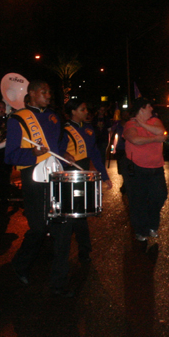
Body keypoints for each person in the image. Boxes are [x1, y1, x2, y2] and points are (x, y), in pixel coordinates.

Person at [5, 80, 73, 297]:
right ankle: (20, 264)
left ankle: (58, 283)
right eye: (43, 91)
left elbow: (59, 143)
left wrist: (66, 154)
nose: (48, 94)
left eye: (49, 91)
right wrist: (31, 154)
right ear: (32, 94)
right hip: (33, 176)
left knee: (63, 227)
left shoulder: (54, 116)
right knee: (39, 228)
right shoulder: (18, 119)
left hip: (56, 174)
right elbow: (10, 155)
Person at [61, 99, 112, 264]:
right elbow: (57, 152)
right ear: (73, 112)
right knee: (71, 214)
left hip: (82, 171)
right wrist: (64, 157)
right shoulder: (64, 130)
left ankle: (84, 249)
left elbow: (95, 154)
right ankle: (64, 250)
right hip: (68, 173)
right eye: (82, 109)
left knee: (81, 213)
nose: (86, 112)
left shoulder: (89, 128)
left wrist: (105, 176)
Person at [123, 98, 168, 251]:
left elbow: (161, 130)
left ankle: (152, 225)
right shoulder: (129, 124)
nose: (151, 109)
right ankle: (141, 230)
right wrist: (156, 139)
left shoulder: (154, 120)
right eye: (149, 106)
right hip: (137, 168)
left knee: (160, 195)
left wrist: (142, 124)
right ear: (142, 109)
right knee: (138, 200)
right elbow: (135, 139)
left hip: (156, 167)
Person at [109, 109, 130, 193]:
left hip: (129, 149)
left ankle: (126, 184)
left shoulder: (131, 124)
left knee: (128, 168)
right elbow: (112, 136)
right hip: (120, 148)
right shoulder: (117, 125)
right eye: (123, 114)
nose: (125, 116)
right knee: (121, 168)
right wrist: (112, 149)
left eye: (126, 114)